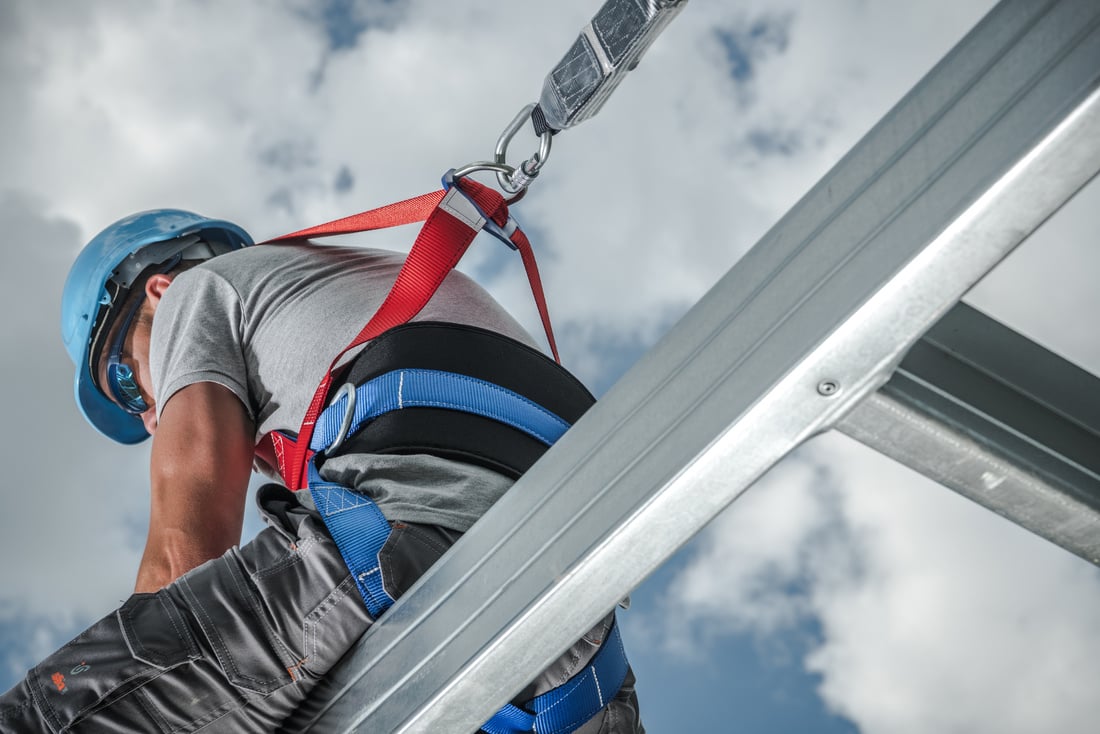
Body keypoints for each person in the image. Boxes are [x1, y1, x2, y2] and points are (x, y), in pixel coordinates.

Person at [0, 209, 642, 733]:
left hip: (406, 543)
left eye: (129, 380)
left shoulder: (196, 295)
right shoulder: (350, 284)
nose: (148, 416)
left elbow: (182, 561)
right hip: (580, 648)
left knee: (54, 719)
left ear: (157, 288)